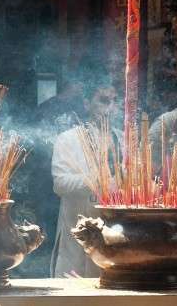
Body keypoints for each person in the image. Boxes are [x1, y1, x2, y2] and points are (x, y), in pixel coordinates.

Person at [50, 77, 118, 278]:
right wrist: (97, 180)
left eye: (115, 101)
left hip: (114, 240)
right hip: (76, 240)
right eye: (104, 101)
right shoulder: (68, 139)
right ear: (87, 103)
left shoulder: (122, 139)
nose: (111, 107)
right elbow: (60, 184)